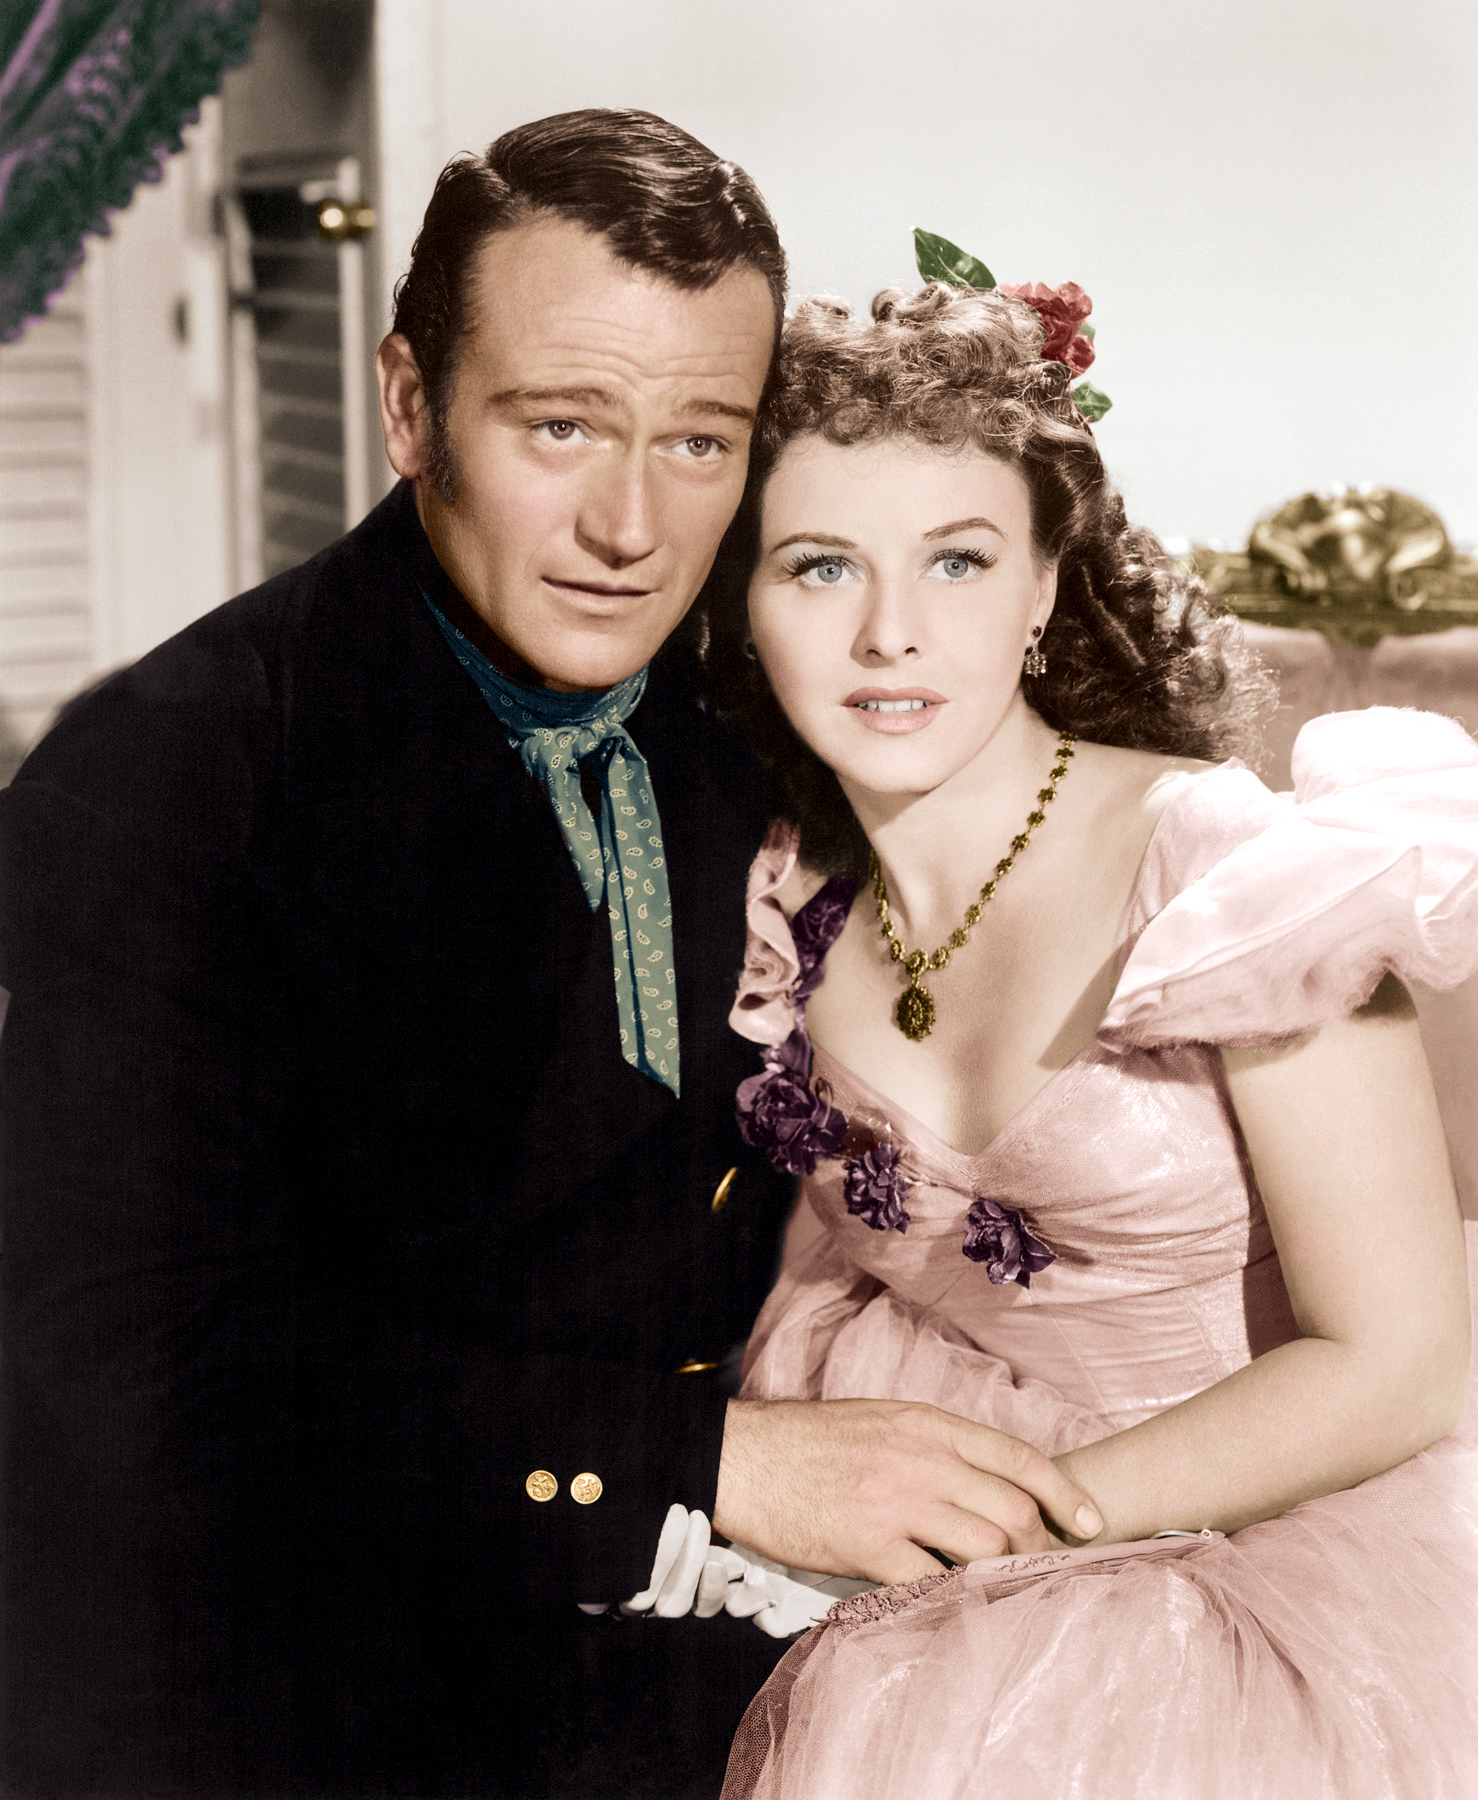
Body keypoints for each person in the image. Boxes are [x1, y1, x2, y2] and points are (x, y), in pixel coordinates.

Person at [0, 113, 1102, 1799]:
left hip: (703, 1656)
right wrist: (706, 1462)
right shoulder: (167, 771)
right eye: (560, 426)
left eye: (698, 441)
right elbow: (127, 1355)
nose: (629, 527)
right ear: (407, 407)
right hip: (300, 1689)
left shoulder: (762, 695)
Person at [690, 280, 1478, 1796]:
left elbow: (1397, 1365)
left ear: (1044, 590)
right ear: (742, 601)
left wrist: (1002, 1538)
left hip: (1293, 1539)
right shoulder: (769, 903)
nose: (890, 634)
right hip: (925, 1498)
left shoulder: (1233, 872)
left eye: (958, 560)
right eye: (821, 566)